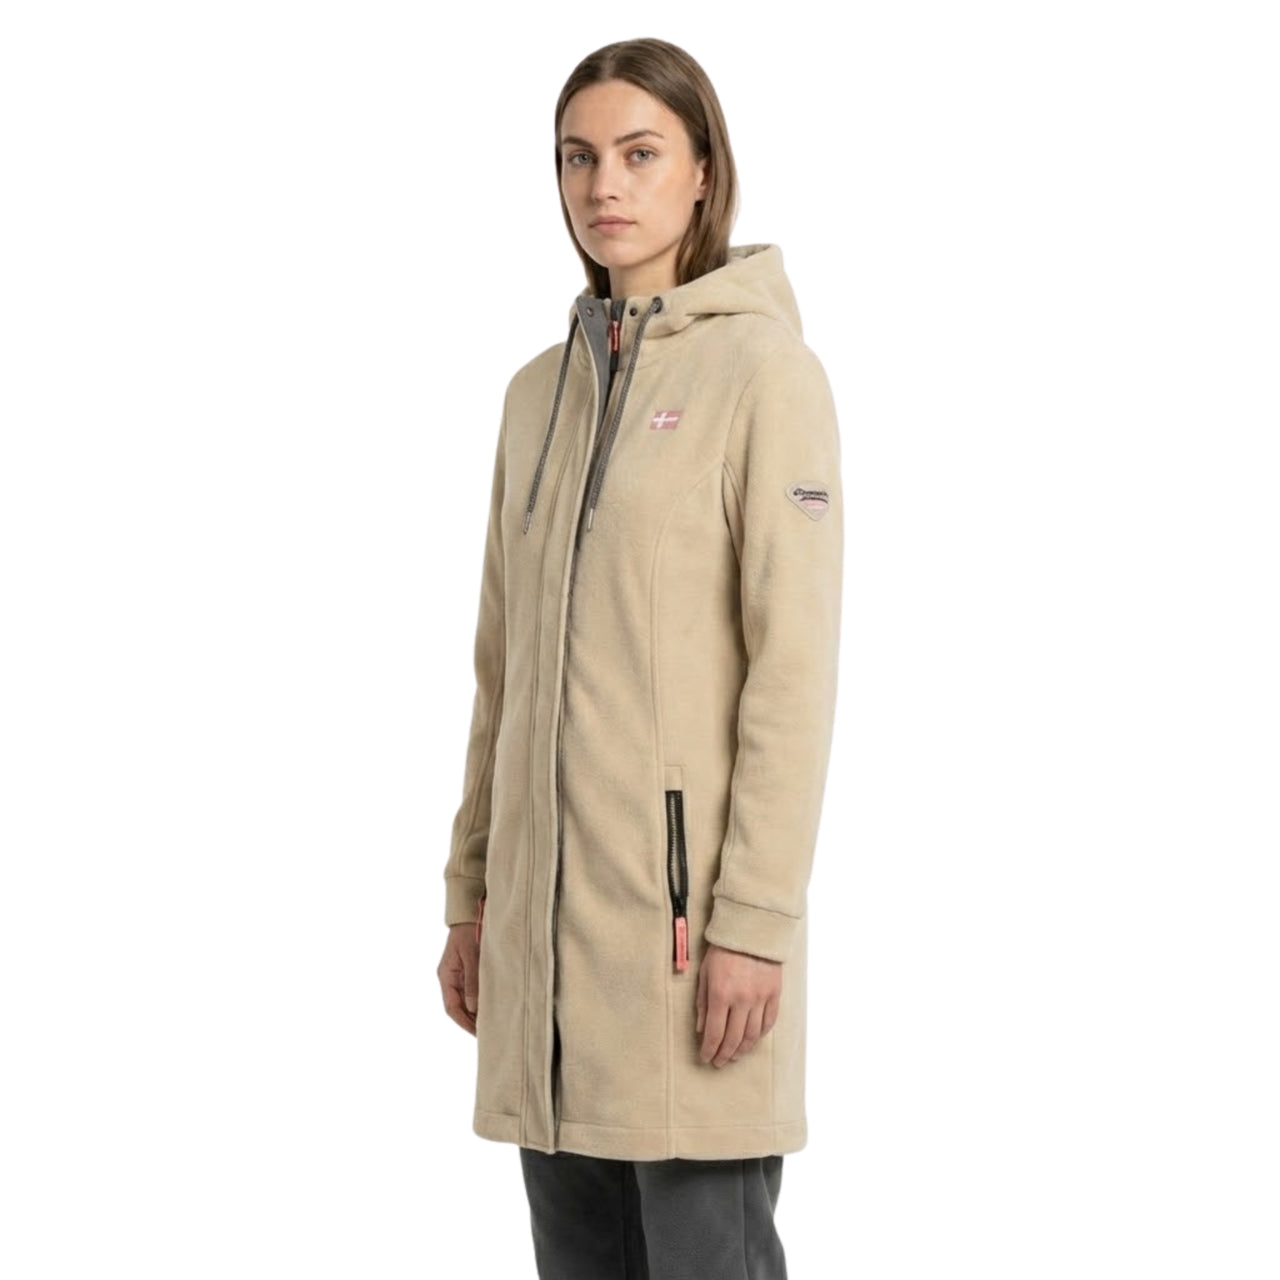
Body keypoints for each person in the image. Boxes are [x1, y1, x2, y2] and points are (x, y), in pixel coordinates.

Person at [437, 37, 843, 1280]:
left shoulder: (763, 375)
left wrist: (754, 923)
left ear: (702, 170)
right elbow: (499, 670)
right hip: (543, 953)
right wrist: (471, 892)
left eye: (639, 153)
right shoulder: (534, 396)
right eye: (577, 157)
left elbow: (791, 671)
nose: (602, 184)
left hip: (683, 942)